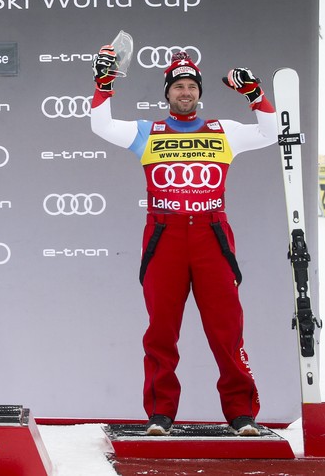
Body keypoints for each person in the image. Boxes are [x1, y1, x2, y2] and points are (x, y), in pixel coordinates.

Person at [89, 46, 277, 436]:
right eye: (178, 86)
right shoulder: (147, 131)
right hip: (165, 234)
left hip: (211, 235)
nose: (185, 92)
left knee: (226, 328)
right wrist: (103, 85)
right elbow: (101, 127)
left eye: (191, 86)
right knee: (161, 329)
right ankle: (160, 414)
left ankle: (242, 414)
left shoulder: (223, 130)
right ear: (168, 93)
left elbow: (270, 133)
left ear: (199, 92)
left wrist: (254, 93)